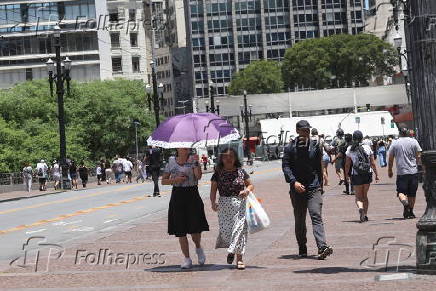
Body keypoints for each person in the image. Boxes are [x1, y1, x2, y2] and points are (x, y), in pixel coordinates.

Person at [282, 120, 333, 260]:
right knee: (300, 219)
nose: (306, 133)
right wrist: (294, 182)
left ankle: (322, 247)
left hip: (313, 187)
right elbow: (286, 166)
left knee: (316, 216)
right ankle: (302, 247)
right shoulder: (290, 147)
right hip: (297, 189)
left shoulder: (315, 146)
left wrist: (321, 186)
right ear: (297, 131)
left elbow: (318, 166)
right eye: (304, 130)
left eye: (308, 131)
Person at [162, 148, 209, 269]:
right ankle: (187, 258)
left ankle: (198, 247)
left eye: (186, 146)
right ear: (177, 148)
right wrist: (175, 180)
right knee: (180, 230)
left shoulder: (193, 160)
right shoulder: (171, 161)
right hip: (177, 196)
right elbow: (163, 181)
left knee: (195, 231)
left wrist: (197, 163)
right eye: (182, 146)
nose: (185, 148)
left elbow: (198, 177)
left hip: (192, 195)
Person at [210, 148, 254, 270]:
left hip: (239, 205)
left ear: (235, 158)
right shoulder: (217, 173)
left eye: (231, 156)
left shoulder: (241, 172)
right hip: (224, 206)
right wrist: (213, 202)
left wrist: (247, 190)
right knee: (226, 232)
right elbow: (213, 190)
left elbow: (250, 184)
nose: (228, 159)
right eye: (225, 157)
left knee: (240, 231)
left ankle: (239, 259)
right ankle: (232, 250)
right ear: (221, 159)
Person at [344, 131, 379, 223]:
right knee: (365, 196)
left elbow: (347, 164)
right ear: (362, 138)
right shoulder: (367, 147)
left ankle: (360, 208)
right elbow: (372, 163)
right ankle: (366, 215)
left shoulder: (350, 148)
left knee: (358, 197)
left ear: (353, 138)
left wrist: (347, 175)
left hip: (356, 174)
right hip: (367, 173)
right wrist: (377, 174)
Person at [388, 128, 422, 219]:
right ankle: (410, 211)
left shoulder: (395, 143)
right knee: (412, 194)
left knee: (400, 192)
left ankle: (405, 204)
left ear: (399, 133)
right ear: (407, 133)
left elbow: (390, 158)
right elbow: (419, 154)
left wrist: (390, 170)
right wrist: (416, 163)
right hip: (413, 171)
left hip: (402, 172)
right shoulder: (414, 141)